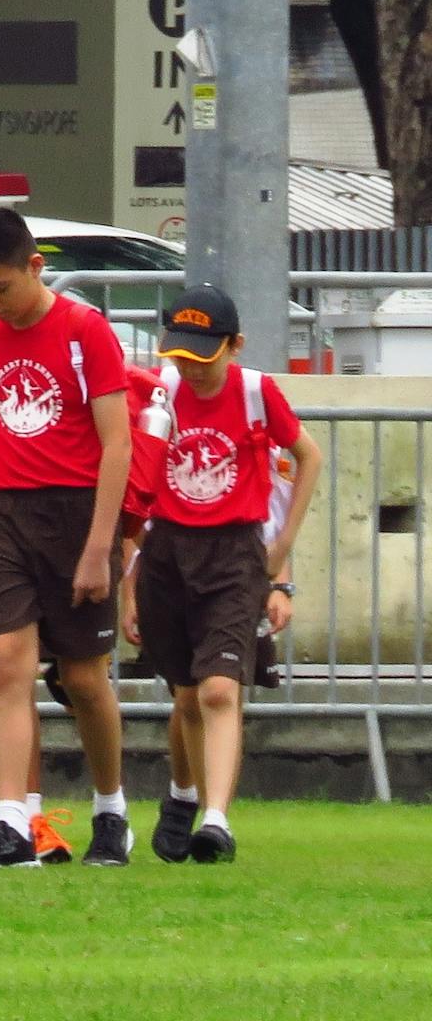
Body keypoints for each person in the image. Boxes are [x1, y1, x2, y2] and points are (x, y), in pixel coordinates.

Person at [0, 205, 134, 867]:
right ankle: (11, 820)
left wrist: (97, 549)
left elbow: (117, 444)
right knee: (5, 663)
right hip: (5, 511)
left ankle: (111, 810)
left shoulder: (86, 331)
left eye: (2, 288)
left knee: (82, 679)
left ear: (36, 266)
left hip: (77, 511)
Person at [132, 288, 322, 863]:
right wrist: (128, 583)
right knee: (186, 694)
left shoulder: (255, 392)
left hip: (234, 552)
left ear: (234, 346)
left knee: (219, 688)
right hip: (166, 550)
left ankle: (216, 818)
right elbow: (137, 480)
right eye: (181, 356)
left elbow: (305, 457)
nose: (190, 369)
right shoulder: (160, 393)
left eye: (203, 357)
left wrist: (281, 547)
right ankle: (183, 795)